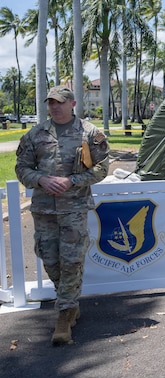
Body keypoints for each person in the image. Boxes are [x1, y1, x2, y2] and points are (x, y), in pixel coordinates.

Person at [15, 85, 110, 345]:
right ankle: (68, 301)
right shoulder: (36, 134)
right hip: (44, 209)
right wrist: (42, 179)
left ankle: (64, 313)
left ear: (73, 104)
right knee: (50, 259)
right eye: (51, 103)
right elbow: (21, 168)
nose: (55, 106)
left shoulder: (90, 133)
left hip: (74, 208)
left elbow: (103, 168)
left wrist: (73, 181)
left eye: (60, 102)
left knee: (71, 260)